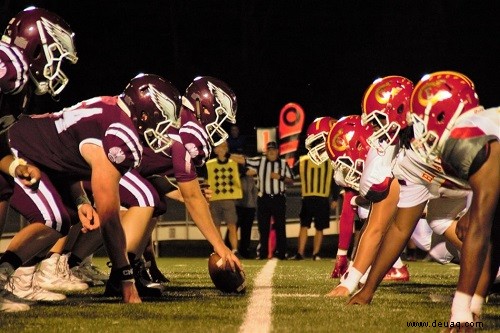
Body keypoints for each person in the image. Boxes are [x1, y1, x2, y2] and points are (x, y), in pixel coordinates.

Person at [351, 71, 498, 329]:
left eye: (420, 121)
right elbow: (399, 228)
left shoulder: (475, 138)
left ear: (444, 116)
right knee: (445, 221)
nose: (418, 133)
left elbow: (482, 228)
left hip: (480, 183)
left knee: (476, 225)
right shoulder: (413, 160)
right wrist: (368, 289)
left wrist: (464, 310)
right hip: (469, 189)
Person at [0, 6, 78, 312]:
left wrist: (17, 165)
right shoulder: (8, 65)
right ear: (35, 45)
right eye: (54, 52)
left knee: (5, 181)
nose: (56, 63)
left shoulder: (18, 88)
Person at [293, 117, 336, 260]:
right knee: (306, 225)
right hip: (310, 197)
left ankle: (314, 253)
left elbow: (334, 180)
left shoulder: (329, 160)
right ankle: (301, 252)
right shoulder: (304, 159)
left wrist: (335, 197)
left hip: (321, 197)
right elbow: (290, 173)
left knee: (317, 227)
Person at [246, 141, 294, 260]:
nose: (272, 152)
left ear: (277, 151)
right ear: (266, 152)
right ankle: (263, 253)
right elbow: (244, 160)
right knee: (263, 227)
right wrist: (228, 155)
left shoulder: (283, 163)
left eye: (274, 150)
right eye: (269, 150)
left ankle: (282, 253)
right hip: (264, 198)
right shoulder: (260, 161)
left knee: (280, 227)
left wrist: (280, 177)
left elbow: (291, 180)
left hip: (279, 198)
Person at [205, 140, 243, 255]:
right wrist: (206, 200)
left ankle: (235, 250)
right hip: (214, 198)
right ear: (215, 150)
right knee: (216, 226)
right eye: (219, 147)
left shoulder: (233, 162)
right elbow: (206, 182)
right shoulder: (209, 164)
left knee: (232, 225)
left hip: (229, 199)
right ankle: (218, 249)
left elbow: (243, 161)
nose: (222, 149)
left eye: (224, 146)